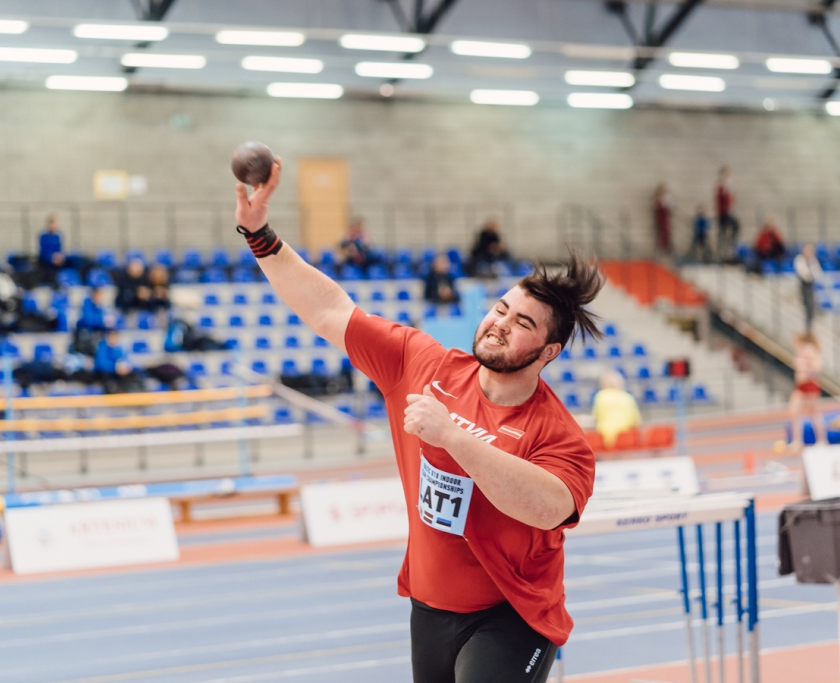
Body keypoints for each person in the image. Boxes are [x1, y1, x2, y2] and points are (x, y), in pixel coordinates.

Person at [234, 159, 599, 683]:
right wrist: (259, 235)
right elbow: (329, 311)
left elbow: (546, 508)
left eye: (521, 324)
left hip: (512, 616)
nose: (498, 325)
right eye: (500, 309)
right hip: (429, 607)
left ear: (548, 352)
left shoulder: (557, 434)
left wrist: (452, 436)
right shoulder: (421, 363)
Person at [789, 333, 826, 451]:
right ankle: (797, 441)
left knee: (814, 413)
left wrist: (806, 368)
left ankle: (822, 441)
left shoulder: (808, 349)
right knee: (794, 412)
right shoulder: (800, 350)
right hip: (800, 386)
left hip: (809, 385)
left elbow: (818, 366)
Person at [591, 371, 642, 449]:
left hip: (606, 438)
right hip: (627, 438)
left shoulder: (601, 396)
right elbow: (637, 421)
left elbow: (595, 418)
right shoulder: (628, 397)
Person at [94, 329, 142, 393]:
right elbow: (101, 364)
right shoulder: (102, 347)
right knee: (108, 380)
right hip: (107, 373)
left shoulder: (120, 347)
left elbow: (125, 359)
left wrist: (125, 367)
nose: (113, 338)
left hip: (120, 373)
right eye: (111, 336)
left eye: (115, 336)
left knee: (134, 376)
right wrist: (115, 367)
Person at [794, 243, 823, 332]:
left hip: (810, 284)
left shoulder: (813, 260)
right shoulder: (799, 259)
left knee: (811, 303)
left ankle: (809, 323)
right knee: (805, 303)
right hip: (803, 284)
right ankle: (805, 323)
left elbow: (818, 273)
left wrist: (810, 275)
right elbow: (804, 274)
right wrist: (810, 275)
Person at [715, 166, 739, 260]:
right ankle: (722, 253)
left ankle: (730, 249)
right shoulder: (721, 187)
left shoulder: (729, 187)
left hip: (729, 213)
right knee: (723, 232)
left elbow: (732, 200)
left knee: (735, 227)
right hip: (723, 214)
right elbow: (721, 200)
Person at [653, 183, 672, 256]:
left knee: (666, 232)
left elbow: (670, 206)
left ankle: (666, 248)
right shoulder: (657, 198)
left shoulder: (667, 198)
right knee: (661, 232)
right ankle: (660, 248)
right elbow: (656, 206)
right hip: (660, 216)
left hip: (665, 215)